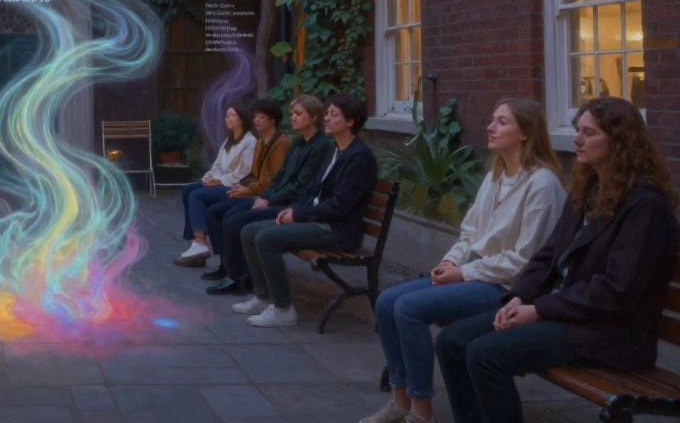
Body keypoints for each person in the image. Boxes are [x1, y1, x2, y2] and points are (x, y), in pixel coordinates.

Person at [435, 97, 680, 423]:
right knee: (452, 341)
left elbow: (617, 289)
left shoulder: (645, 207)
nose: (577, 138)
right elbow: (546, 255)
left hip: (607, 334)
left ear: (620, 142)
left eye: (589, 132)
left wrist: (538, 310)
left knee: (485, 354)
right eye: (578, 129)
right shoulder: (589, 189)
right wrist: (520, 296)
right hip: (563, 314)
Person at [361, 99, 566, 423]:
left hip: (506, 286)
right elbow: (470, 231)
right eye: (492, 119)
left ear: (525, 133)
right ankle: (400, 400)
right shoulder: (496, 175)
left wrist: (464, 272)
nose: (490, 127)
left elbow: (527, 261)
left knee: (409, 308)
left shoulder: (542, 183)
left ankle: (421, 411)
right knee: (387, 301)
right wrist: (450, 261)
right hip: (475, 272)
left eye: (501, 122)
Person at [240, 94, 378, 327]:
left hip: (338, 230)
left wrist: (299, 215)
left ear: (351, 121)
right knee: (249, 231)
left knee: (266, 238)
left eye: (334, 115)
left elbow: (340, 206)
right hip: (319, 221)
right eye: (327, 113)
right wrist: (292, 210)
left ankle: (283, 308)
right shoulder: (336, 151)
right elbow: (313, 190)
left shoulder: (359, 158)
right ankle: (263, 297)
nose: (326, 118)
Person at [210, 96, 331, 299]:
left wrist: (269, 200)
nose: (293, 118)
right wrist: (264, 196)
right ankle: (236, 274)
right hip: (277, 199)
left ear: (314, 116)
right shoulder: (298, 143)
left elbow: (300, 186)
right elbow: (280, 177)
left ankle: (239, 278)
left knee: (237, 221)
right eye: (292, 114)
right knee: (230, 215)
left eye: (298, 114)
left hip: (292, 206)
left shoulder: (319, 146)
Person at [199, 98, 291, 294]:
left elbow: (272, 179)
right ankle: (226, 266)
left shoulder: (281, 143)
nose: (257, 121)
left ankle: (237, 276)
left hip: (268, 197)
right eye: (255, 117)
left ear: (273, 120)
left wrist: (247, 190)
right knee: (214, 212)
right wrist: (242, 185)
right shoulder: (260, 142)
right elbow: (254, 175)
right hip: (257, 191)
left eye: (262, 117)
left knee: (230, 218)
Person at [174, 105, 257, 267]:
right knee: (189, 190)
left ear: (242, 119)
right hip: (220, 181)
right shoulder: (229, 140)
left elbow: (243, 172)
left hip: (235, 185)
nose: (227, 119)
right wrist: (208, 178)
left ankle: (200, 242)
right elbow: (217, 165)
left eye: (232, 115)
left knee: (197, 195)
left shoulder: (249, 141)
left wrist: (220, 181)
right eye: (226, 116)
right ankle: (196, 244)